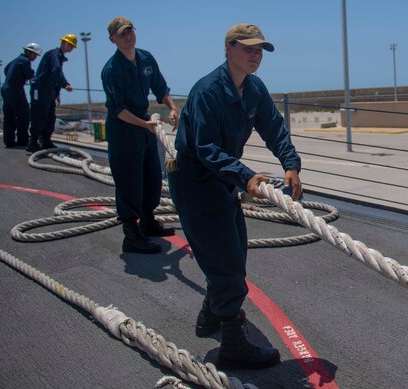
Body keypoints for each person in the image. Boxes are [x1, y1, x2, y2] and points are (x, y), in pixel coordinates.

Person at [168, 23, 302, 370]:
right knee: (225, 261)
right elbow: (206, 149)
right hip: (196, 182)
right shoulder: (207, 92)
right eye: (248, 49)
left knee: (233, 251)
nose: (255, 55)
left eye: (259, 50)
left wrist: (291, 164)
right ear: (228, 49)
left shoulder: (253, 88)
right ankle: (233, 343)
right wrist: (246, 177)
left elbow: (273, 128)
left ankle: (210, 316)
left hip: (223, 181)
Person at [101, 17, 179, 254]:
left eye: (130, 31)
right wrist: (143, 124)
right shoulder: (111, 70)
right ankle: (131, 235)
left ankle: (147, 221)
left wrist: (173, 108)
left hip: (144, 127)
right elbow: (118, 110)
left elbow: (160, 88)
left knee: (151, 177)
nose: (128, 36)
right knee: (129, 182)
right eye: (122, 34)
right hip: (125, 130)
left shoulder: (146, 58)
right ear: (113, 39)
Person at [27, 34, 76, 152]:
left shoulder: (58, 56)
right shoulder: (54, 55)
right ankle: (33, 142)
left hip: (49, 90)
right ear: (65, 43)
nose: (72, 49)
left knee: (50, 116)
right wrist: (65, 84)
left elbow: (54, 75)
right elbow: (56, 71)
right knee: (39, 115)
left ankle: (46, 141)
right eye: (71, 46)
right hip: (40, 89)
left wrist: (57, 92)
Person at [1, 43, 42, 148]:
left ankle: (8, 141)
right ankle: (22, 140)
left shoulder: (16, 60)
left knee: (9, 117)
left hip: (6, 88)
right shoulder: (25, 61)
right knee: (24, 115)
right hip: (15, 90)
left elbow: (6, 70)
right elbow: (30, 74)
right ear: (30, 52)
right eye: (35, 55)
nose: (35, 57)